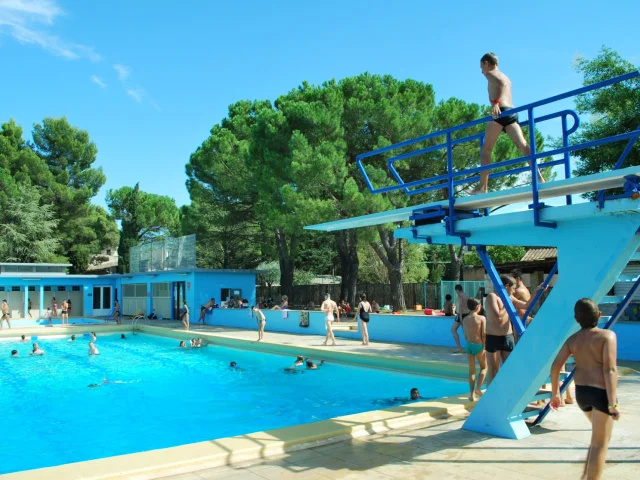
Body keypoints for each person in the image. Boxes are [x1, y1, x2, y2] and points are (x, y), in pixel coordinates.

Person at [550, 299, 620, 480]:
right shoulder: (607, 336)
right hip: (600, 394)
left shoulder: (572, 340)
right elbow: (610, 369)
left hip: (582, 394)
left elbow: (555, 366)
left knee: (602, 436)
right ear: (599, 315)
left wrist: (555, 393)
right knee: (599, 444)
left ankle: (586, 475)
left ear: (576, 319)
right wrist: (613, 403)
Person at [469, 52, 545, 195]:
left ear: (487, 63)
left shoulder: (491, 74)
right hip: (511, 112)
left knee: (486, 150)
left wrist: (495, 103)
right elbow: (504, 84)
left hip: (500, 112)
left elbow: (501, 84)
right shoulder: (506, 76)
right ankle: (539, 177)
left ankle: (482, 187)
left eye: (482, 67)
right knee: (523, 145)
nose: (481, 72)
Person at [485, 275, 542, 385]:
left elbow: (525, 305)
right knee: (494, 371)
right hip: (493, 337)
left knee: (509, 369)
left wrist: (536, 292)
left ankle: (507, 396)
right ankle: (491, 399)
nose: (515, 290)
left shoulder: (509, 298)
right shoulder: (492, 297)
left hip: (507, 336)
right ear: (506, 286)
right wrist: (509, 304)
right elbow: (497, 316)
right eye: (513, 288)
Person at [462, 298, 487, 401]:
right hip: (478, 345)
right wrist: (485, 347)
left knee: (471, 371)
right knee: (484, 367)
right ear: (478, 307)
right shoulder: (481, 318)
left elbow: (465, 334)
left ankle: (472, 395)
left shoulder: (465, 319)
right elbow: (484, 334)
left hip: (468, 345)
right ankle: (478, 389)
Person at [451, 285, 470, 353]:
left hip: (461, 315)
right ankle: (465, 348)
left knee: (454, 330)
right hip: (466, 314)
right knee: (465, 332)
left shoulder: (460, 296)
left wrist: (460, 317)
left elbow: (461, 307)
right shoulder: (466, 295)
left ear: (457, 290)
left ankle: (459, 347)